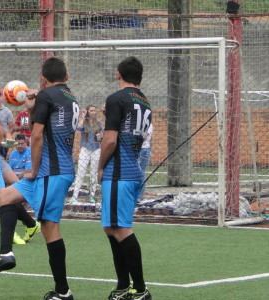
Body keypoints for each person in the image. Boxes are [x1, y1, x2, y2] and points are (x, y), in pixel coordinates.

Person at [0, 57, 78, 300]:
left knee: (50, 229)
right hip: (52, 171)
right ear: (66, 76)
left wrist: (33, 168)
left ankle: (63, 292)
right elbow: (46, 124)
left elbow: (38, 135)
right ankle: (6, 254)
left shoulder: (47, 96)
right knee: (3, 198)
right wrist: (33, 108)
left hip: (49, 172)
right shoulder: (68, 96)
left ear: (43, 77)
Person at [97, 56, 151, 300]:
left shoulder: (116, 99)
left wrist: (100, 167)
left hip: (119, 171)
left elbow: (110, 140)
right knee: (111, 227)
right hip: (132, 170)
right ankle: (122, 285)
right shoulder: (145, 101)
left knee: (121, 229)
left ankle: (140, 289)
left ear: (119, 73)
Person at [71, 105, 103, 203]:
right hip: (85, 149)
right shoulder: (84, 122)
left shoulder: (98, 123)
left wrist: (100, 136)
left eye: (94, 110)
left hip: (96, 149)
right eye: (91, 110)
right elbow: (78, 128)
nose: (93, 112)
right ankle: (74, 197)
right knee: (81, 172)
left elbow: (100, 137)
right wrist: (83, 116)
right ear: (88, 112)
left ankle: (92, 196)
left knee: (94, 173)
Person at [137, 123, 153, 201]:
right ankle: (136, 195)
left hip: (143, 149)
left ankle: (139, 196)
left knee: (141, 172)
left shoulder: (147, 123)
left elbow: (145, 136)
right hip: (138, 149)